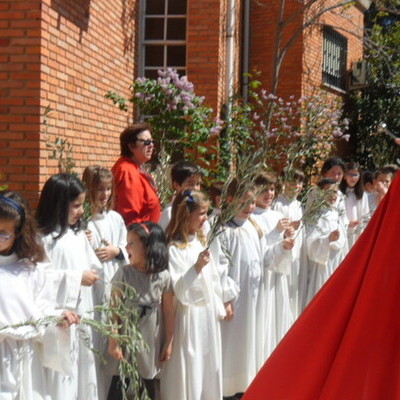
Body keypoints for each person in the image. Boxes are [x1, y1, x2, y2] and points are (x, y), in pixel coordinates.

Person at [243, 159, 400, 400]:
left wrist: (335, 239)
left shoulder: (336, 212)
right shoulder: (307, 212)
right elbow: (310, 241)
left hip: (331, 262)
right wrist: (324, 241)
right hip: (309, 268)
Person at [0, 190, 79, 399]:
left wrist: (58, 317)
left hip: (24, 357)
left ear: (17, 233)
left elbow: (43, 308)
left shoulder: (30, 270)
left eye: (3, 233)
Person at [36, 173, 102, 400]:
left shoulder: (77, 235)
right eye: (76, 206)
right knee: (60, 379)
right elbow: (39, 280)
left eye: (82, 205)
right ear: (57, 205)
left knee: (81, 375)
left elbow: (92, 264)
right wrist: (75, 278)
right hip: (59, 320)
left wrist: (91, 274)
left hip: (81, 316)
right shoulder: (42, 240)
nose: (81, 211)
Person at [161, 190, 226, 400]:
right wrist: (196, 267)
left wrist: (219, 304)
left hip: (206, 317)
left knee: (207, 366)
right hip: (187, 319)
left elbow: (213, 279)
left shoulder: (199, 241)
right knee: (191, 366)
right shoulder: (173, 249)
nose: (205, 218)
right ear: (185, 214)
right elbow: (178, 290)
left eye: (207, 213)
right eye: (201, 214)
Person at [107, 222, 174, 400]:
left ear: (147, 246)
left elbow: (168, 310)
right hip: (126, 337)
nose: (126, 247)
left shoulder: (163, 276)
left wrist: (169, 341)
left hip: (149, 340)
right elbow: (113, 308)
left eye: (131, 243)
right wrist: (113, 339)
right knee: (121, 381)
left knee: (147, 382)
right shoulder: (124, 273)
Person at [252, 172, 295, 359]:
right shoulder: (251, 216)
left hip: (278, 274)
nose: (269, 193)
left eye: (271, 189)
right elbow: (257, 249)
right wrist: (276, 232)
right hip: (263, 277)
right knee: (265, 318)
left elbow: (285, 244)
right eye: (264, 189)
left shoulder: (278, 214)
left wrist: (288, 237)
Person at [305, 178, 347, 305]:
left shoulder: (337, 213)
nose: (332, 196)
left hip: (336, 260)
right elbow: (310, 241)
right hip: (322, 263)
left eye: (334, 192)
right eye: (328, 192)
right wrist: (327, 240)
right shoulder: (315, 215)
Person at [273, 169, 308, 318]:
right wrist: (285, 232)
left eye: (300, 182)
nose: (297, 186)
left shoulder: (299, 205)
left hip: (298, 252)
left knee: (296, 288)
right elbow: (273, 231)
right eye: (293, 182)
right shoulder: (278, 204)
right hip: (284, 252)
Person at [112, 123, 161, 225]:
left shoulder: (135, 168)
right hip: (140, 237)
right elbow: (130, 217)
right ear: (131, 146)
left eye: (152, 141)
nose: (151, 145)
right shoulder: (127, 172)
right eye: (147, 142)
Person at [158, 160, 202, 230]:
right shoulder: (170, 213)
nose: (196, 188)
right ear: (176, 185)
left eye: (198, 184)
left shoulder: (200, 211)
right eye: (191, 184)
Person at [339, 161, 369, 249]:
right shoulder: (339, 193)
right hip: (343, 230)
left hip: (357, 231)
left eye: (356, 175)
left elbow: (365, 214)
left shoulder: (362, 195)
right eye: (350, 174)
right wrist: (347, 223)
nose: (353, 178)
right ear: (344, 176)